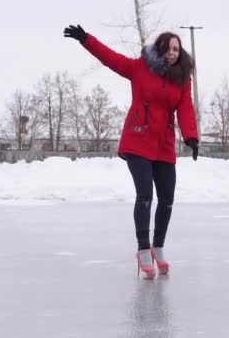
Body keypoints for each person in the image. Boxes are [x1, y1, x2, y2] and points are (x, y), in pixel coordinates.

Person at [64, 24, 199, 279]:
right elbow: (111, 59)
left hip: (164, 144)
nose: (172, 53)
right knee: (146, 194)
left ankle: (158, 246)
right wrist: (86, 39)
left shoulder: (182, 79)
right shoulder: (140, 68)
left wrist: (191, 137)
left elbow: (186, 108)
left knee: (167, 199)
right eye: (168, 48)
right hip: (138, 140)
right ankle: (143, 250)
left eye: (176, 50)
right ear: (159, 48)